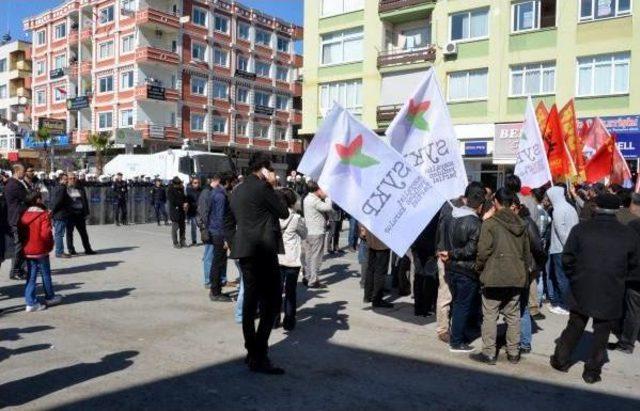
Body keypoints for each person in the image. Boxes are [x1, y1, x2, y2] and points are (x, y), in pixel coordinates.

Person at [551, 194, 639, 384]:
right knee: (601, 333)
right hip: (611, 290)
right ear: (617, 210)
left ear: (596, 207)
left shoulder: (581, 230)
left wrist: (575, 277)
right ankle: (592, 371)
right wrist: (620, 280)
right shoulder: (628, 234)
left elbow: (567, 259)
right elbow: (634, 266)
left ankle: (561, 360)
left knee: (575, 326)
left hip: (582, 287)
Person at [224, 154, 289, 374]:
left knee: (250, 304)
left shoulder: (237, 189)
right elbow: (283, 211)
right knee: (270, 305)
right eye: (270, 170)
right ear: (262, 169)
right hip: (263, 251)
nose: (273, 174)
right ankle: (259, 355)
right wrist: (272, 186)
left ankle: (252, 351)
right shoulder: (263, 188)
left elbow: (228, 221)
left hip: (245, 252)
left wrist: (235, 244)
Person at [471, 188, 530, 365]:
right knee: (513, 315)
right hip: (516, 275)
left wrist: (479, 269)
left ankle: (489, 352)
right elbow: (526, 253)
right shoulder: (521, 224)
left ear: (496, 203)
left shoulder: (490, 224)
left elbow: (482, 252)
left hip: (494, 276)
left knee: (490, 314)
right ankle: (513, 352)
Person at [440, 184, 485, 353]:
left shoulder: (452, 216)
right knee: (461, 305)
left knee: (458, 303)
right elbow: (471, 250)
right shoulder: (475, 223)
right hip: (465, 270)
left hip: (451, 267)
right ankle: (457, 341)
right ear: (480, 204)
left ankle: (458, 334)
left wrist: (449, 255)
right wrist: (452, 254)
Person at [19, 191, 62, 312]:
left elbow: (21, 233)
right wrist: (49, 246)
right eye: (41, 198)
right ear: (37, 200)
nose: (43, 200)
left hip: (28, 248)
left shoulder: (24, 214)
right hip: (40, 249)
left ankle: (30, 301)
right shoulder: (43, 215)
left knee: (31, 275)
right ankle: (50, 296)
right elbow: (46, 234)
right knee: (45, 273)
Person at [276, 188, 307, 331]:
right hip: (291, 258)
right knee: (290, 291)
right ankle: (289, 321)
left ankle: (274, 319)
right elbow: (304, 233)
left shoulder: (273, 215)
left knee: (276, 291)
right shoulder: (296, 218)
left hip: (276, 257)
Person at [545, 186, 579, 315]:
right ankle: (569, 303)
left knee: (561, 278)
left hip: (560, 249)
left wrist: (567, 246)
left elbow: (561, 232)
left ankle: (565, 305)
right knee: (567, 277)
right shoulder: (570, 208)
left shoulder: (558, 210)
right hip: (570, 247)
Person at [302, 181, 332, 288]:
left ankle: (307, 276)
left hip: (308, 232)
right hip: (317, 232)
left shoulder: (307, 198)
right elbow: (328, 207)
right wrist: (328, 196)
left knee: (309, 256)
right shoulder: (314, 200)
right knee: (316, 257)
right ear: (317, 190)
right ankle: (313, 280)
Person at [208, 173, 231, 302]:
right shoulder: (221, 196)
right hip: (219, 232)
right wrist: (225, 238)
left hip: (214, 230)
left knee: (216, 261)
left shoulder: (214, 192)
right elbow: (221, 217)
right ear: (226, 182)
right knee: (219, 262)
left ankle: (214, 288)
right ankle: (215, 291)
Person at [5, 163, 29, 279]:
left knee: (20, 244)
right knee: (18, 245)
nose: (24, 173)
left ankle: (18, 269)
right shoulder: (14, 184)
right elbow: (27, 197)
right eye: (23, 171)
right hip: (16, 218)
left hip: (18, 217)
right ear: (17, 171)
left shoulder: (14, 183)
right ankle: (15, 270)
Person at [65, 173, 96, 255]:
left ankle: (88, 249)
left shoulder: (80, 188)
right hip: (70, 214)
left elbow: (85, 201)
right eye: (71, 178)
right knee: (69, 233)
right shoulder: (65, 189)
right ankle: (71, 250)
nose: (73, 180)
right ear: (68, 179)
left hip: (80, 213)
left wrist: (87, 212)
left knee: (84, 233)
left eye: (74, 178)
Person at [50, 173, 72, 259]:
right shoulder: (62, 188)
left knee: (59, 234)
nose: (67, 181)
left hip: (59, 214)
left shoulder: (57, 187)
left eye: (67, 179)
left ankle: (60, 251)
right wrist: (52, 211)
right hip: (60, 214)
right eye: (65, 179)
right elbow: (57, 202)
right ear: (60, 180)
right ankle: (59, 252)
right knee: (59, 234)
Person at [167, 177, 187, 248]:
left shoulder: (181, 189)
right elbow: (173, 201)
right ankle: (175, 242)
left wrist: (185, 202)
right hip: (175, 211)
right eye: (178, 184)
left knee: (182, 227)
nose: (179, 185)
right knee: (175, 228)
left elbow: (184, 197)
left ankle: (182, 241)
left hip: (181, 211)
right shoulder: (170, 190)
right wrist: (182, 204)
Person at [186, 177, 202, 246]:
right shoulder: (189, 191)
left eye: (198, 183)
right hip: (192, 211)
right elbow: (188, 200)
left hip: (200, 211)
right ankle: (194, 241)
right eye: (195, 183)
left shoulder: (201, 190)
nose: (197, 184)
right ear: (192, 184)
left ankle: (205, 239)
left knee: (202, 226)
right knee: (193, 227)